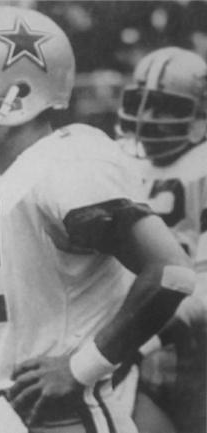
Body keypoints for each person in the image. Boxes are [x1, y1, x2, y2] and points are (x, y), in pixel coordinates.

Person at [0, 6, 196, 433]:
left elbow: (172, 272)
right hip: (5, 412)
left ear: (21, 93)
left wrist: (81, 367)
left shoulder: (67, 161)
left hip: (65, 416)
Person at [116, 46, 207, 433]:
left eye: (166, 107)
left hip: (195, 352)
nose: (146, 118)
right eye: (140, 103)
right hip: (136, 352)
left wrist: (134, 340)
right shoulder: (115, 160)